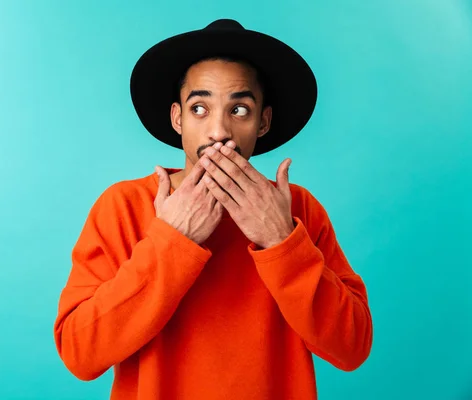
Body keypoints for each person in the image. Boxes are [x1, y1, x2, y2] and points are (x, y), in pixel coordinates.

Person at [54, 19, 373, 399]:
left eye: (239, 110)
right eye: (200, 108)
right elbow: (79, 353)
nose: (219, 131)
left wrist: (281, 241)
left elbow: (351, 348)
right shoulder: (123, 207)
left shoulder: (299, 210)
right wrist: (172, 241)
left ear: (263, 122)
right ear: (178, 119)